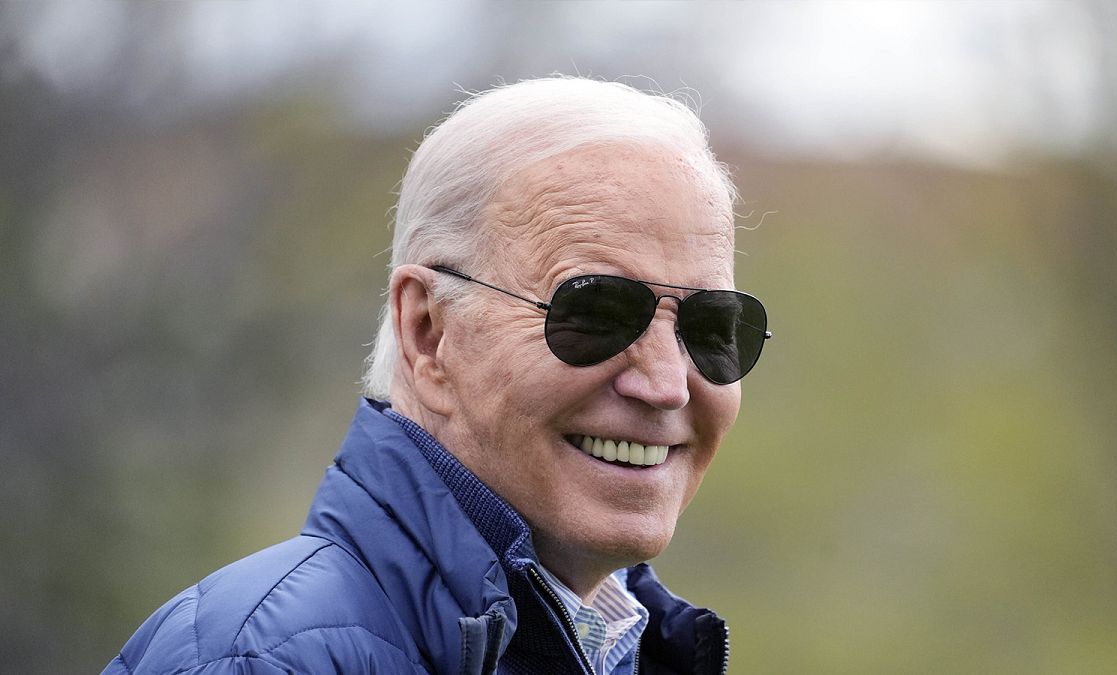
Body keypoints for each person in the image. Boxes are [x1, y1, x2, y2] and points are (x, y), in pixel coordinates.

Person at [104, 76, 771, 675]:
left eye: (712, 326)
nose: (666, 385)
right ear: (428, 332)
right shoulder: (259, 661)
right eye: (595, 312)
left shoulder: (627, 652)